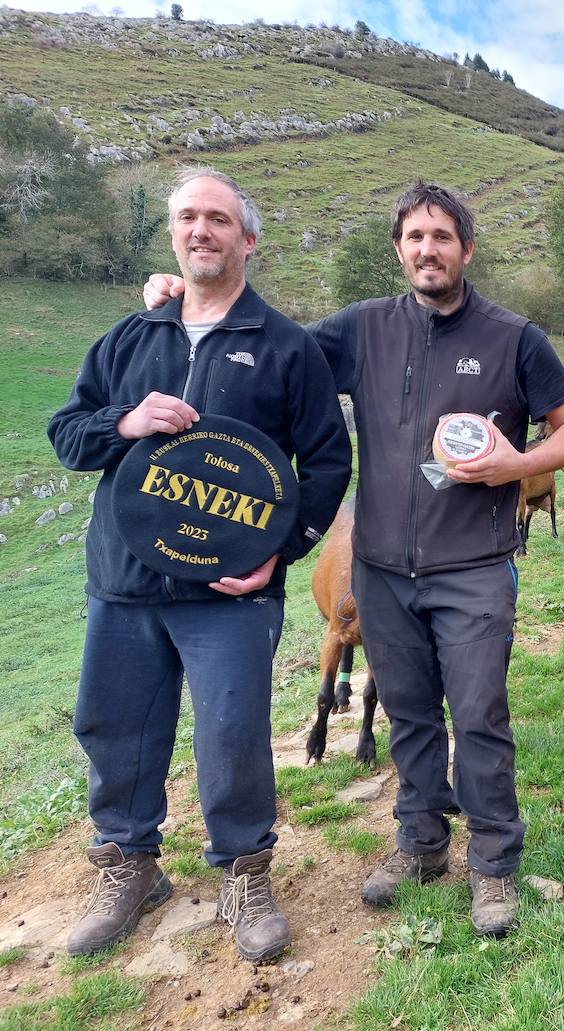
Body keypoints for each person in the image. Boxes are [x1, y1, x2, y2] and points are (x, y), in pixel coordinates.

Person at [146, 181, 564, 938]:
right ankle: (421, 843)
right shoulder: (362, 329)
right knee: (411, 714)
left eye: (443, 237)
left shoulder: (515, 337)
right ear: (399, 249)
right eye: (415, 237)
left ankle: (493, 865)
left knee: (479, 714)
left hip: (475, 564)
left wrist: (517, 463)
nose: (429, 249)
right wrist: (187, 290)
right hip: (381, 567)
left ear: (466, 249)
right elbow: (272, 347)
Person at [50, 168, 351, 962]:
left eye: (218, 219)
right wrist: (123, 420)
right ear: (174, 234)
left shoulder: (285, 346)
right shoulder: (129, 337)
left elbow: (325, 461)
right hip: (124, 581)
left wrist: (280, 553)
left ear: (246, 238)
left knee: (232, 732)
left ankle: (245, 870)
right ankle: (128, 864)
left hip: (231, 593)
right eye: (188, 217)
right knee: (115, 725)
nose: (201, 231)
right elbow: (67, 431)